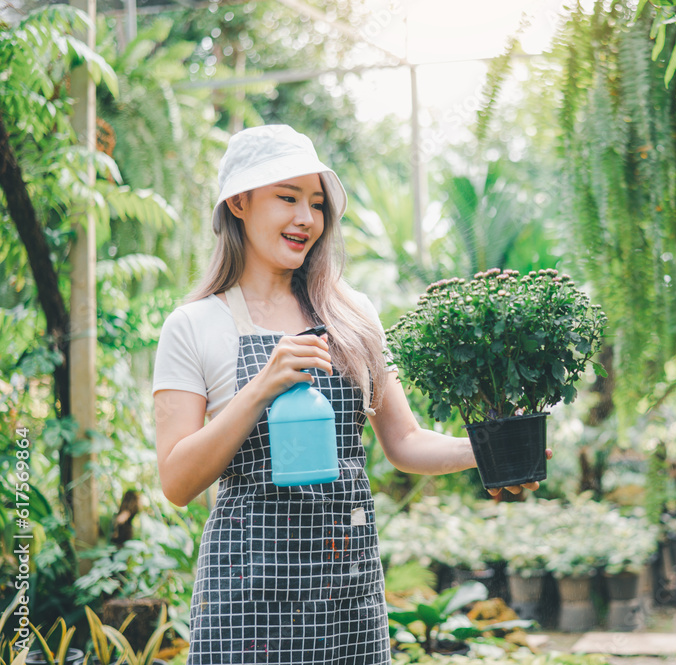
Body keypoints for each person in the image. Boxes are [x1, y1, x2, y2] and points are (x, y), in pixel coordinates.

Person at [152, 124, 543, 664]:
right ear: (239, 203)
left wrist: (489, 452)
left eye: (316, 203)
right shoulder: (194, 325)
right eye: (287, 198)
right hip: (247, 601)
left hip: (348, 596)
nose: (306, 218)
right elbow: (176, 481)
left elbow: (403, 440)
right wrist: (262, 387)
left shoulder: (352, 315)